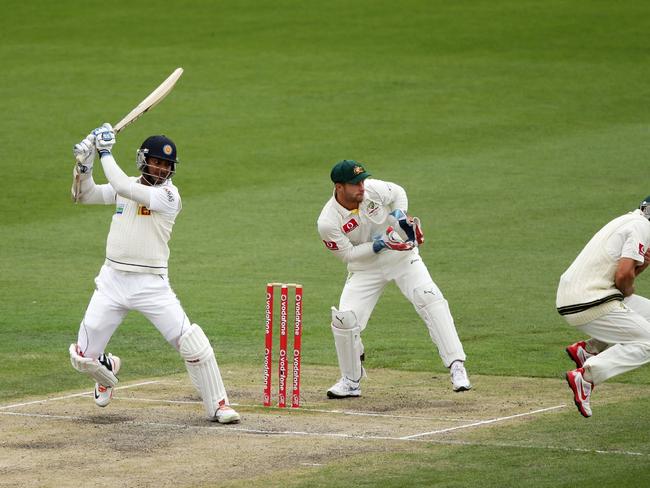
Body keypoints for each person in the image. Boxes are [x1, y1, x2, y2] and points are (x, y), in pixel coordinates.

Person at [68, 123, 240, 424]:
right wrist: (84, 164)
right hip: (112, 281)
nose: (161, 170)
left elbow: (122, 186)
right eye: (156, 162)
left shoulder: (169, 197)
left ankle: (219, 405)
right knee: (82, 358)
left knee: (192, 343)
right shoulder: (128, 184)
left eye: (166, 165)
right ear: (143, 160)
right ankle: (106, 373)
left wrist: (105, 150)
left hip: (151, 285)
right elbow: (85, 196)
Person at [316, 159, 471, 398]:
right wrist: (379, 244)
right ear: (339, 187)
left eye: (362, 180)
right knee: (344, 321)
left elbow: (398, 192)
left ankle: (457, 367)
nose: (362, 187)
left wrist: (400, 214)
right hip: (365, 267)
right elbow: (347, 254)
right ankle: (350, 381)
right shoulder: (328, 221)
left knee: (429, 298)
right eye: (355, 183)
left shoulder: (372, 188)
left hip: (401, 256)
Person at [557, 197, 650, 417]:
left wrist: (643, 265)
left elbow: (622, 275)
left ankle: (588, 350)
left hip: (584, 295)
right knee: (647, 342)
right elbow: (623, 276)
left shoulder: (630, 220)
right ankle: (586, 377)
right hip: (587, 301)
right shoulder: (641, 227)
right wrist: (628, 288)